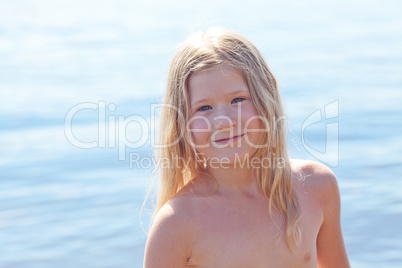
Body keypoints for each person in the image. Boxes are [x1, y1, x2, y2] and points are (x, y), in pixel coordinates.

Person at [143, 27, 350, 268]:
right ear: (181, 124)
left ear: (267, 98)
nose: (224, 120)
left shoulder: (316, 187)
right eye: (204, 108)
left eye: (238, 100)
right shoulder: (176, 224)